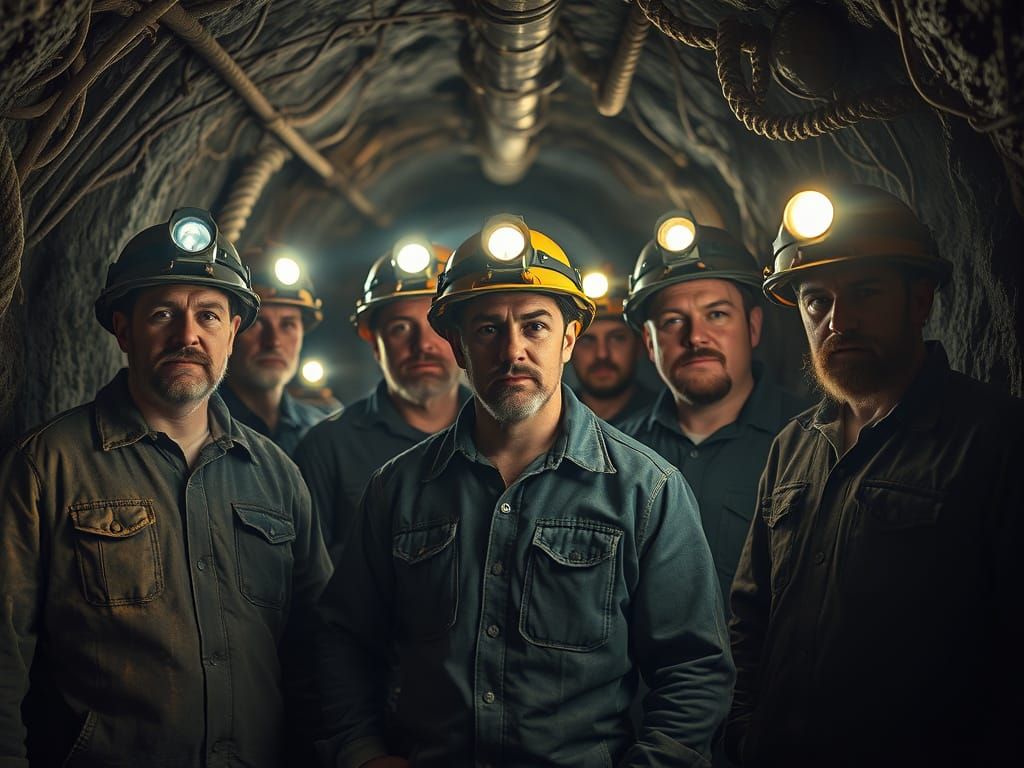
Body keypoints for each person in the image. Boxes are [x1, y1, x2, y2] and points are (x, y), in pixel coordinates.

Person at [316, 214, 734, 767]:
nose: (512, 350)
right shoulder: (398, 489)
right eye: (488, 329)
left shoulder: (646, 490)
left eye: (535, 326)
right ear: (459, 348)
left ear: (569, 339)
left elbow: (693, 670)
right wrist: (361, 752)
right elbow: (341, 643)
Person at [0, 208, 332, 766]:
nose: (188, 335)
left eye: (208, 315)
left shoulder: (278, 476)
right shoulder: (48, 467)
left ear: (232, 333)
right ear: (123, 330)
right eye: (162, 314)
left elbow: (319, 651)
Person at [726, 184, 1024, 766]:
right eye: (817, 301)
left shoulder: (994, 439)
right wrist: (739, 732)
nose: (839, 319)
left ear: (920, 301)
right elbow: (749, 615)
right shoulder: (793, 449)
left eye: (864, 292)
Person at [619, 212, 807, 603]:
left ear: (753, 328)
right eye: (673, 321)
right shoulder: (615, 453)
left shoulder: (811, 444)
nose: (696, 337)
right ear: (650, 345)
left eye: (717, 315)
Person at [294, 238, 469, 560]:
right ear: (375, 345)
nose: (422, 345)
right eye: (401, 328)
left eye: (436, 327)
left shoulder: (504, 436)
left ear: (462, 338)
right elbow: (309, 579)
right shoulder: (328, 448)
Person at [221, 245, 337, 456]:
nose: (273, 342)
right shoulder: (197, 426)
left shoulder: (324, 431)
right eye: (257, 323)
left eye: (288, 324)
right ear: (229, 330)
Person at [570, 267, 658, 427]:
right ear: (568, 346)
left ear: (640, 345)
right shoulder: (550, 422)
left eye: (617, 338)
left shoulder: (665, 419)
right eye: (587, 340)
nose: (602, 354)